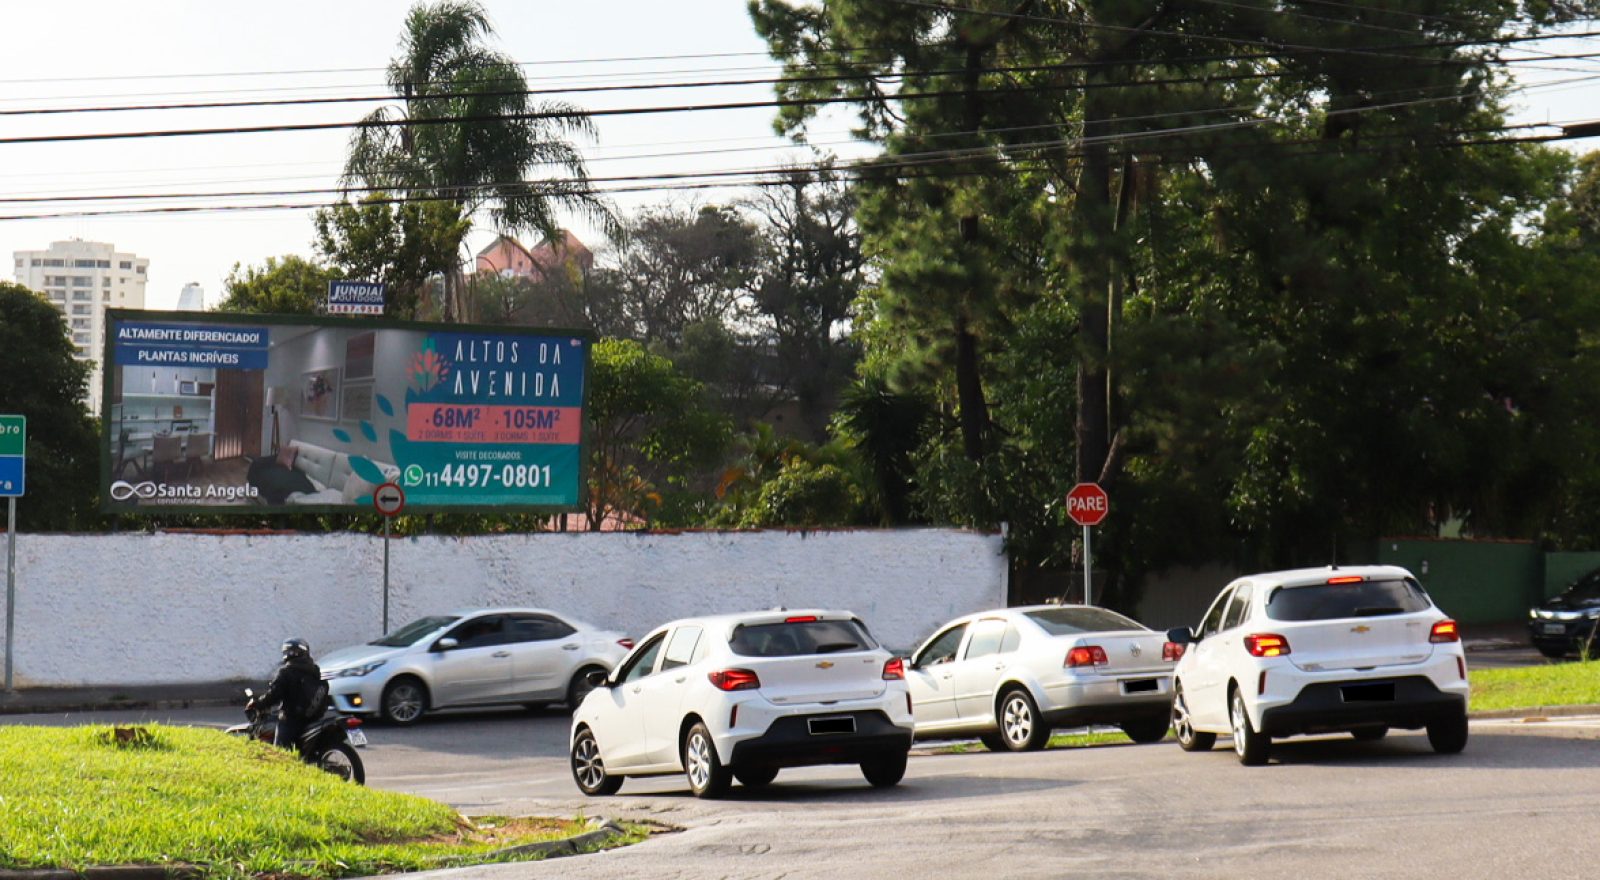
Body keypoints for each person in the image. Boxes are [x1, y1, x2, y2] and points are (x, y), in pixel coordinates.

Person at [247, 638, 325, 750]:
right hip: (313, 716)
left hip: (292, 719)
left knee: (280, 752)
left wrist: (258, 704)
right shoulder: (314, 669)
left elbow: (274, 695)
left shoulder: (286, 672)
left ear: (289, 653)